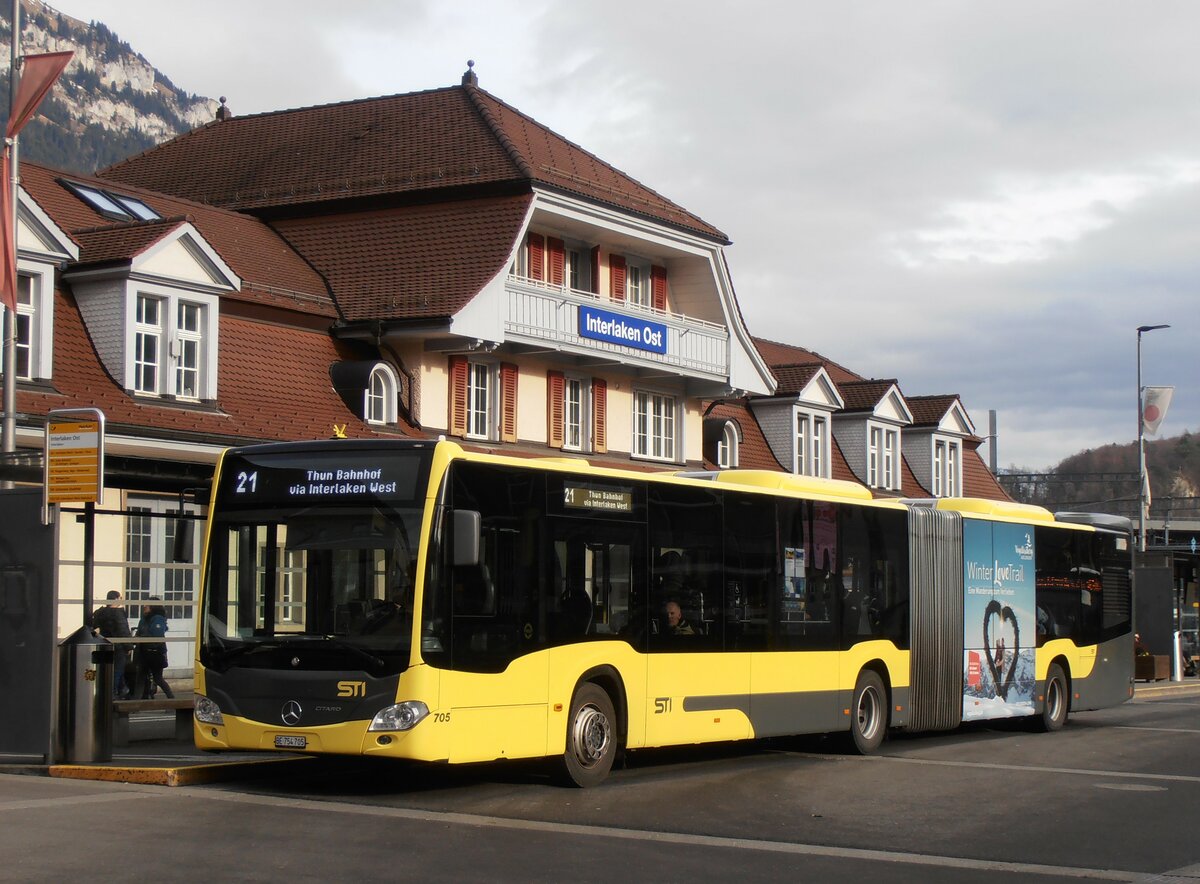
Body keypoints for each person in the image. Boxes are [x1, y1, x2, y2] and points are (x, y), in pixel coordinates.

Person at [90, 590, 132, 699]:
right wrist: (128, 646)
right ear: (116, 599)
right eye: (120, 597)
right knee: (118, 670)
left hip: (104, 645)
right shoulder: (118, 613)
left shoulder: (100, 613)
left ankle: (122, 689)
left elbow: (94, 628)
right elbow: (123, 631)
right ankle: (112, 693)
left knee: (108, 669)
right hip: (118, 646)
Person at [135, 598, 174, 699]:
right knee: (141, 677)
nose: (144, 607)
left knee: (158, 678)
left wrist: (141, 639)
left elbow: (156, 636)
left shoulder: (158, 618)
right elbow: (139, 633)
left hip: (155, 652)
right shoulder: (144, 619)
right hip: (144, 652)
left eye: (147, 605)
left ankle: (171, 699)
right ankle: (135, 702)